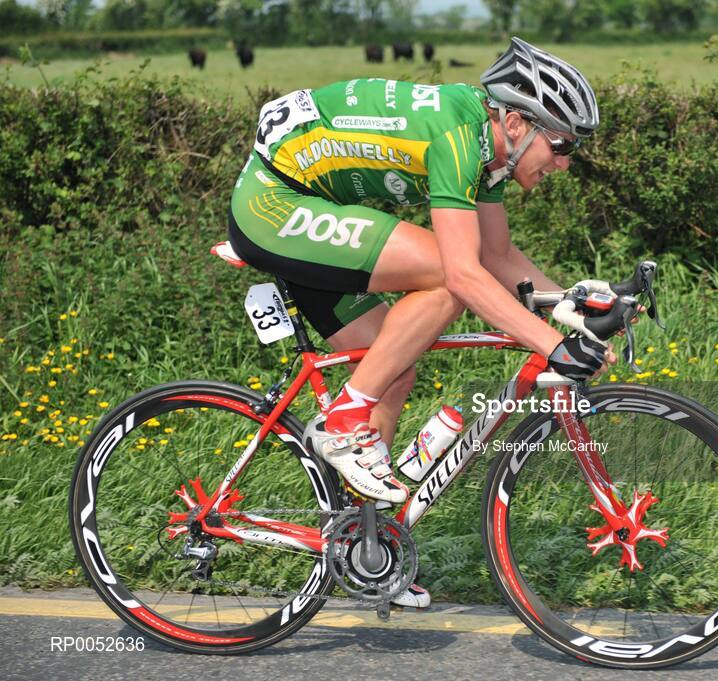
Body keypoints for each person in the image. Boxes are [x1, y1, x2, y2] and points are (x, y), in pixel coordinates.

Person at [227, 37, 610, 607]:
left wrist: (576, 306)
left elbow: (501, 259)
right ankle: (343, 424)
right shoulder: (458, 136)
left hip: (308, 208)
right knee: (442, 275)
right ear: (514, 121)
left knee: (393, 366)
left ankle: (367, 552)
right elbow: (464, 274)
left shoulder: (488, 150)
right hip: (274, 206)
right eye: (559, 143)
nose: (563, 161)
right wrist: (554, 346)